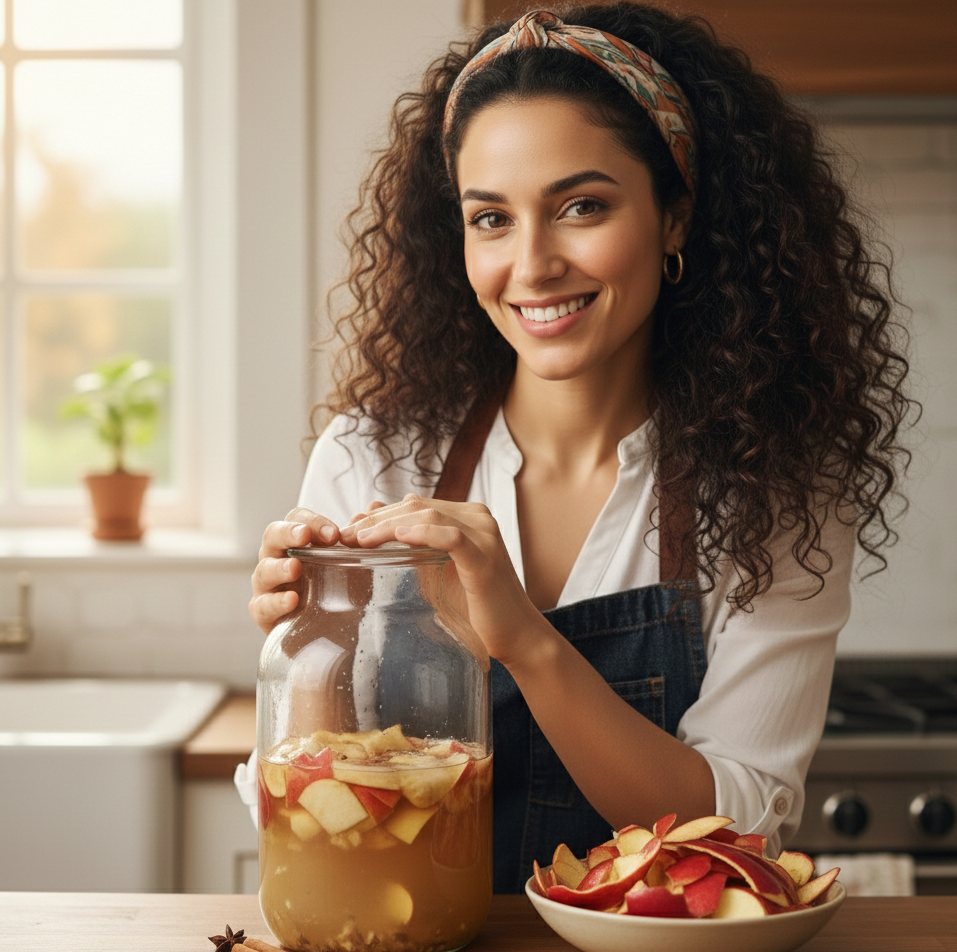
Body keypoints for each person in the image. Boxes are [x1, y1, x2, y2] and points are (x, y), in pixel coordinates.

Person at [245, 4, 915, 894]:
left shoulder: (774, 488)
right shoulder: (376, 454)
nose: (532, 264)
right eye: (491, 219)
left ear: (674, 219)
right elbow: (312, 817)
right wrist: (313, 636)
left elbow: (737, 826)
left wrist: (523, 638)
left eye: (581, 207)